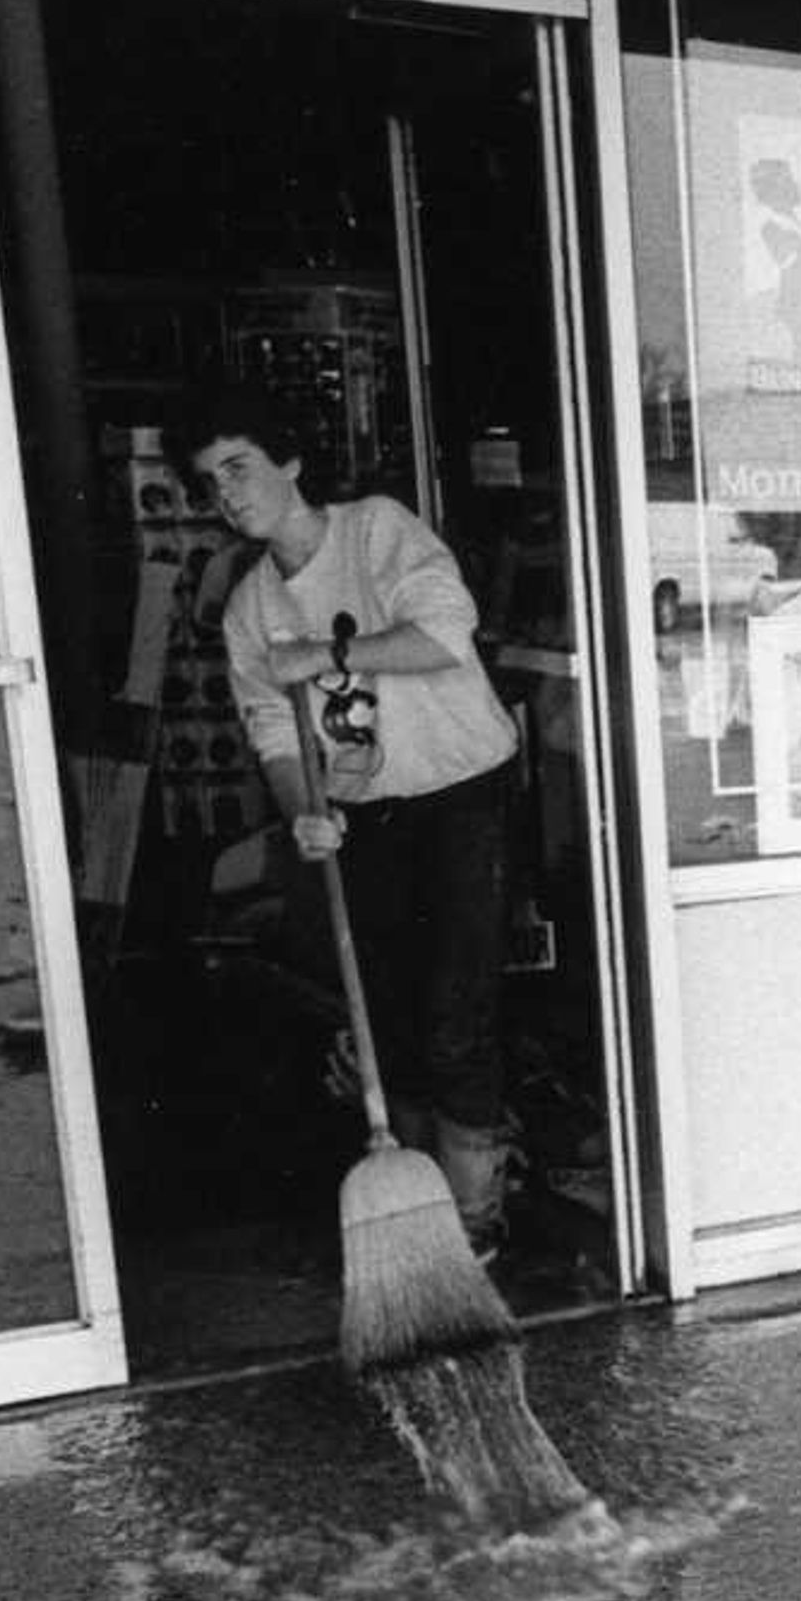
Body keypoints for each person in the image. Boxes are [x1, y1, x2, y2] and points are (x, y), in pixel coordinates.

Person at [182, 387, 525, 1251]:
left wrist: (328, 654)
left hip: (459, 788)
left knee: (455, 1013)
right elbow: (272, 729)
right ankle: (419, 1217)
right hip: (365, 813)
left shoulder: (375, 530)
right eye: (210, 481)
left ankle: (477, 1216)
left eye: (239, 467)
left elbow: (448, 632)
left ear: (289, 462)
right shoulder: (248, 609)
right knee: (392, 1018)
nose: (227, 492)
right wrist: (306, 812)